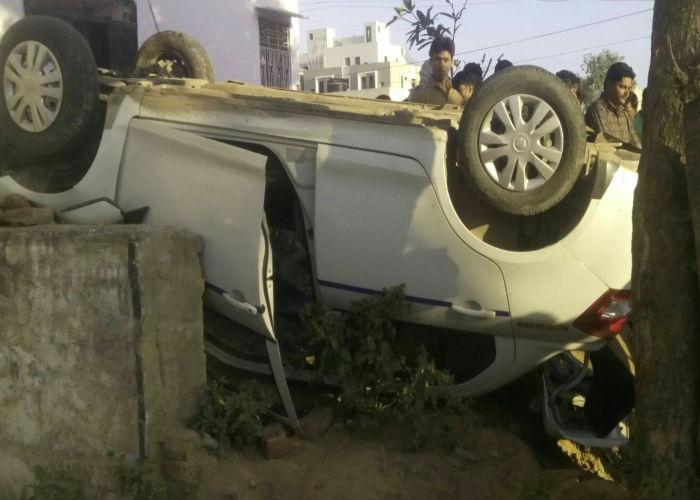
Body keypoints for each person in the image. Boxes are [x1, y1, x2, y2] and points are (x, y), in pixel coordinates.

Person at [585, 62, 641, 148]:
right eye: (622, 87)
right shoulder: (598, 109)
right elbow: (608, 144)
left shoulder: (624, 113)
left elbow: (636, 143)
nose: (627, 93)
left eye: (629, 88)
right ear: (609, 84)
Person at [407, 37, 463, 106]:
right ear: (431, 62)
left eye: (446, 60)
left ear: (451, 63)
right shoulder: (419, 95)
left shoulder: (457, 96)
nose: (441, 64)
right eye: (437, 59)